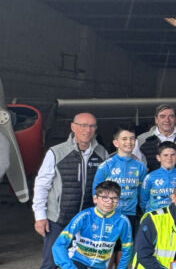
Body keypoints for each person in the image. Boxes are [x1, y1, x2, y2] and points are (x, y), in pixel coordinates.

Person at [33, 112, 109, 269]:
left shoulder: (102, 153)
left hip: (87, 222)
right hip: (58, 221)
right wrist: (40, 216)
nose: (87, 130)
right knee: (51, 263)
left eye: (92, 126)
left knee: (81, 263)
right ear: (73, 127)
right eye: (83, 125)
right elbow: (42, 185)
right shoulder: (56, 152)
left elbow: (107, 186)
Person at [53, 180, 134, 269]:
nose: (110, 202)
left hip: (100, 266)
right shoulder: (84, 216)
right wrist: (69, 267)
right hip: (76, 261)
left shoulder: (123, 221)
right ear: (95, 199)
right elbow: (59, 245)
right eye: (105, 197)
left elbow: (127, 250)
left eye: (114, 198)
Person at [93, 123, 147, 236]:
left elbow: (142, 191)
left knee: (127, 245)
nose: (129, 142)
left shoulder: (140, 166)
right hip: (109, 213)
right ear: (116, 143)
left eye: (132, 138)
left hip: (131, 214)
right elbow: (95, 191)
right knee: (109, 246)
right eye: (124, 139)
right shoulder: (106, 165)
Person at [134, 104, 176, 173]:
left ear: (175, 119)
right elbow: (134, 166)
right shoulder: (142, 139)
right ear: (156, 120)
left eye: (171, 116)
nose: (167, 120)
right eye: (162, 116)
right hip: (150, 179)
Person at [141, 141, 176, 213]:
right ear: (158, 157)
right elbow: (143, 201)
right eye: (165, 155)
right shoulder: (150, 177)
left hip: (175, 215)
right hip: (155, 216)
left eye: (172, 155)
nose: (169, 158)